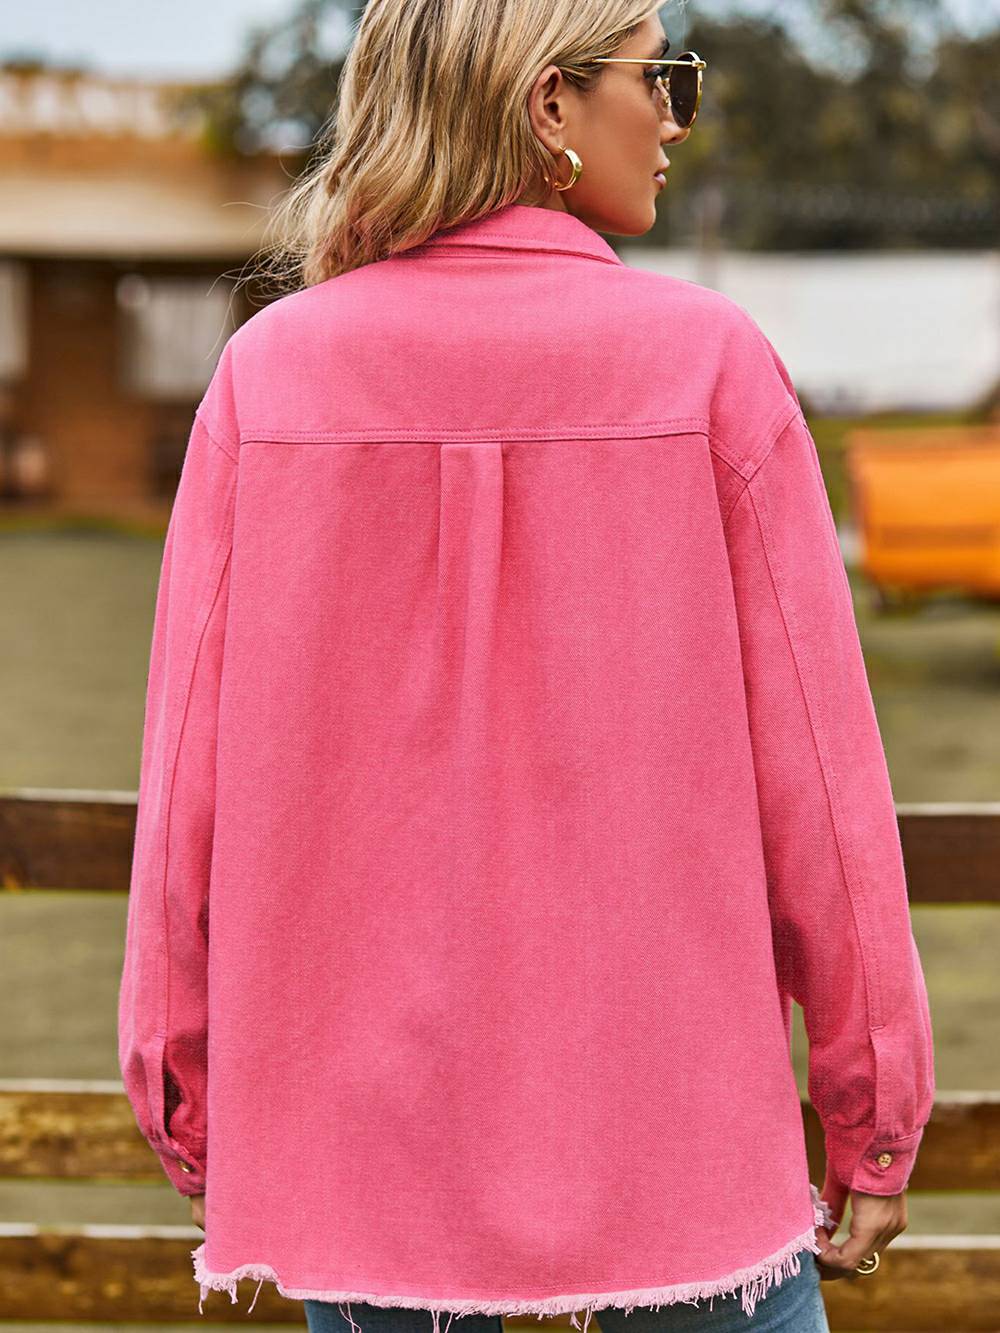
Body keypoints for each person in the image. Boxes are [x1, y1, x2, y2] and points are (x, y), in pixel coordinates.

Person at [116, 1, 935, 1329]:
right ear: (549, 103)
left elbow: (183, 791)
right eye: (660, 76)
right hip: (679, 1138)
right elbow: (823, 791)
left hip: (357, 1154)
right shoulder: (711, 367)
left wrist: (184, 1093)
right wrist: (874, 1109)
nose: (674, 117)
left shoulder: (269, 378)